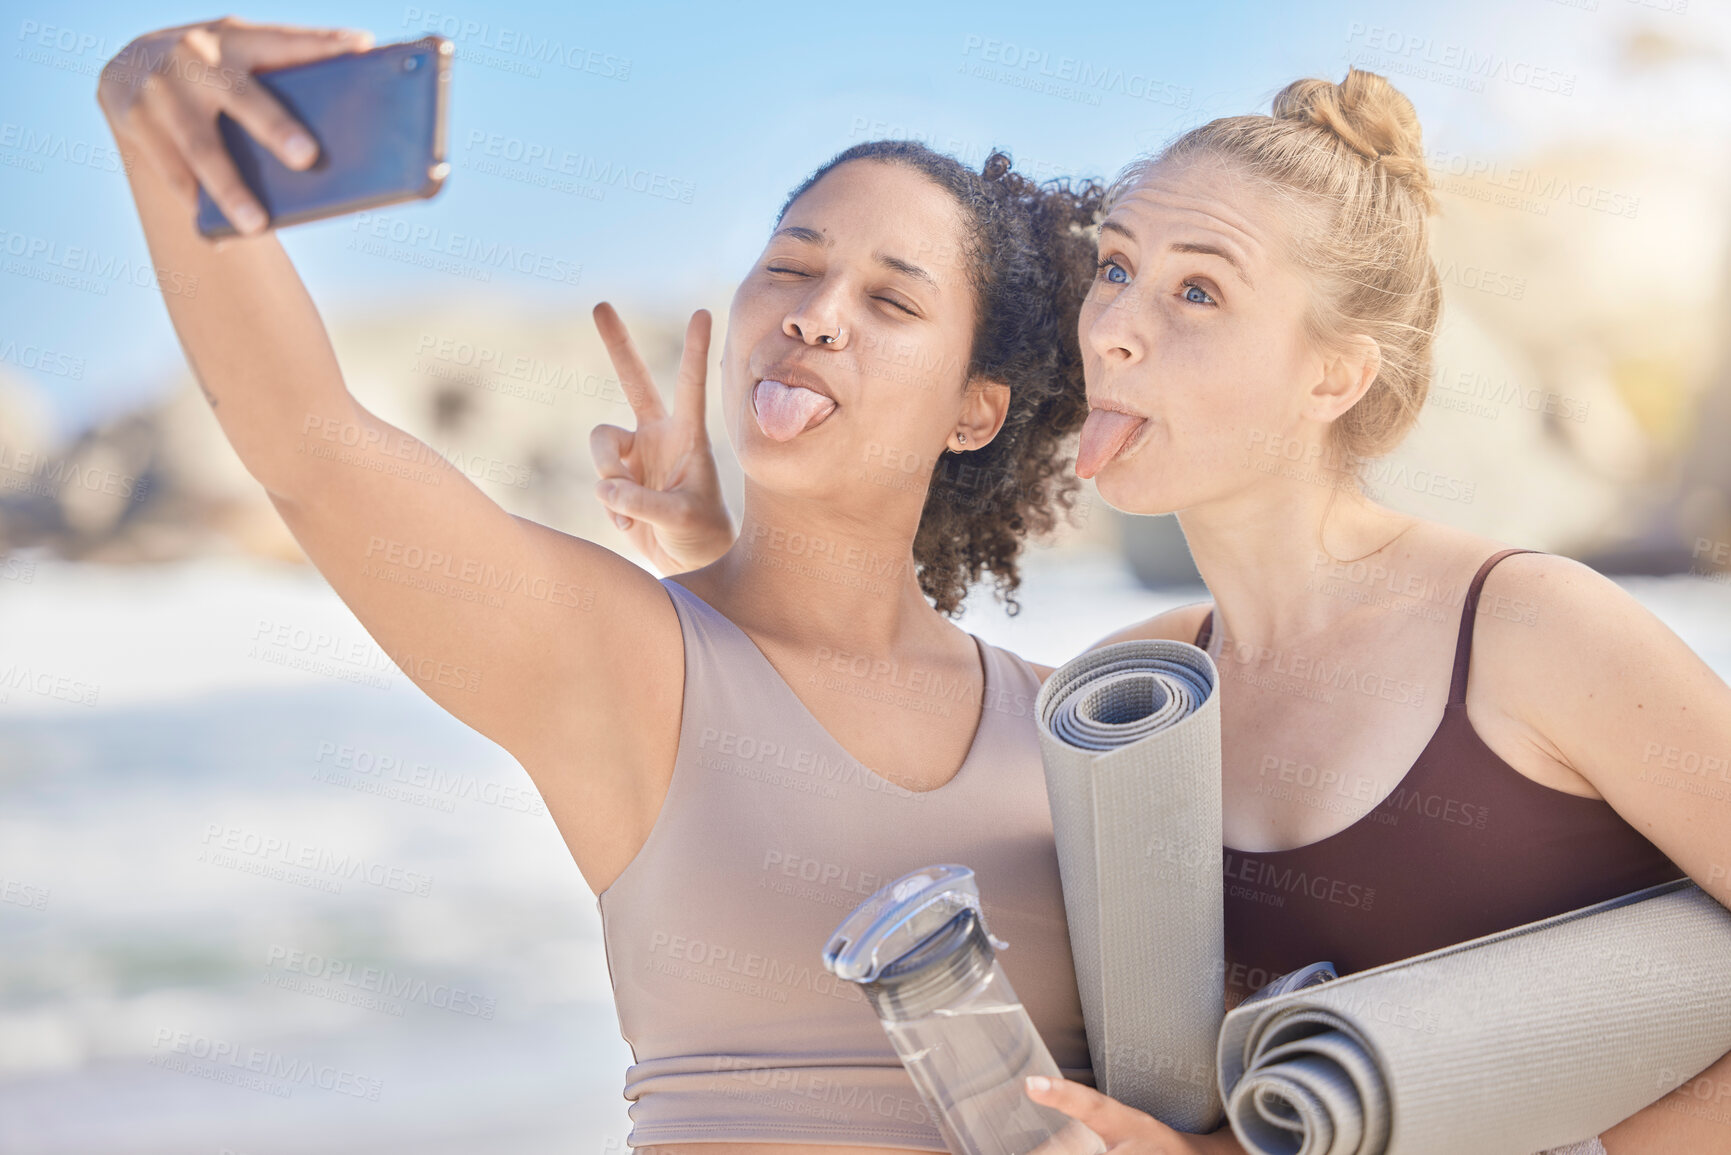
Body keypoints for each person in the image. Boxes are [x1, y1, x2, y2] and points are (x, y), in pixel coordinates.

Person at [602, 69, 1731, 1155]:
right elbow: (871, 754)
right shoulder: (1127, 695)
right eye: (1115, 270)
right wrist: (735, 552)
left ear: (1334, 376)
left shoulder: (1531, 634)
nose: (1114, 332)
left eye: (1198, 291)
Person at [96, 16, 1113, 1155]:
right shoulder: (623, 661)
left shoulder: (1079, 724)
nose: (812, 313)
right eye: (790, 264)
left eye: (891, 301)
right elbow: (310, 446)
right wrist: (153, 109)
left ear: (976, 409)